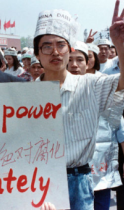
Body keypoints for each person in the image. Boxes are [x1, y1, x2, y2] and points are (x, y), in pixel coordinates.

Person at [33, 2, 124, 209]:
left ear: (69, 49)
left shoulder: (90, 84)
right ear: (37, 54)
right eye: (47, 46)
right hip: (40, 180)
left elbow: (122, 82)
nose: (55, 52)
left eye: (61, 45)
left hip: (80, 179)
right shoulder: (26, 96)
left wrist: (119, 44)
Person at [68, 40, 124, 210]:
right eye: (69, 60)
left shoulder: (101, 87)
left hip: (99, 169)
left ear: (88, 63)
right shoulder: (53, 90)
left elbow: (118, 125)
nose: (74, 65)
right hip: (67, 175)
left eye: (80, 60)